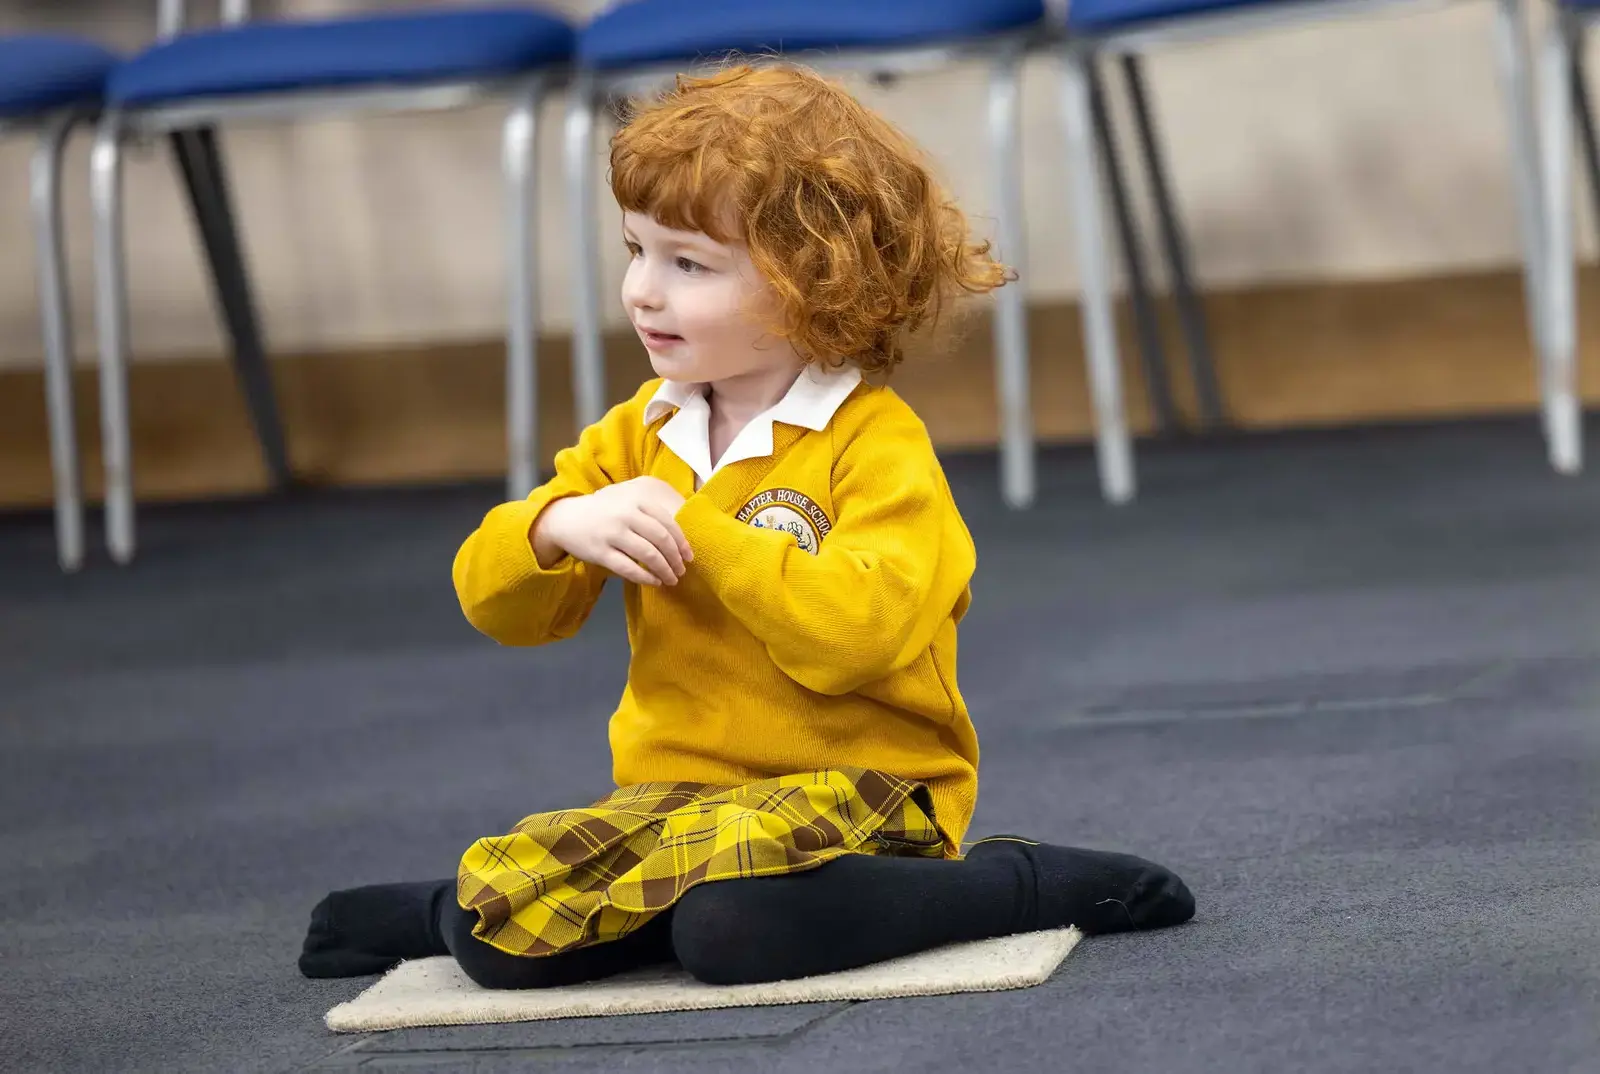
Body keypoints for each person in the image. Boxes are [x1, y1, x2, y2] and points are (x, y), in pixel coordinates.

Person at [299, 63, 1194, 990]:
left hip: (867, 793)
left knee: (734, 933)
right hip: (683, 798)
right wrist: (560, 523)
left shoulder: (874, 445)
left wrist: (703, 529)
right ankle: (467, 909)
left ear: (815, 281)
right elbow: (501, 607)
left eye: (688, 264)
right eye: (635, 250)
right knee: (495, 946)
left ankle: (1018, 882)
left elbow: (855, 638)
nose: (643, 291)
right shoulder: (637, 431)